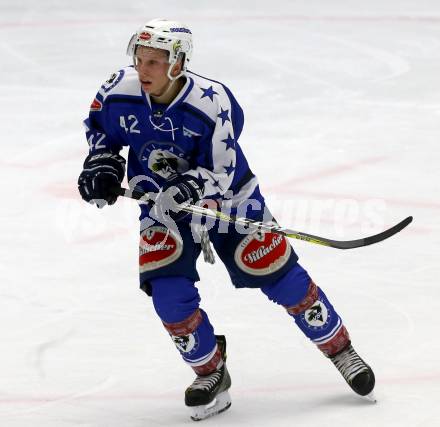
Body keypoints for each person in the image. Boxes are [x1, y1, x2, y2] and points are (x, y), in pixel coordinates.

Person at [78, 18, 375, 421]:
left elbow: (221, 166)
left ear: (178, 64)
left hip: (230, 201)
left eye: (154, 62)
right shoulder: (118, 90)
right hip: (162, 208)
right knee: (168, 296)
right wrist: (102, 166)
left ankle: (340, 349)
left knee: (278, 275)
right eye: (140, 59)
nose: (142, 69)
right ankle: (211, 371)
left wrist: (189, 186)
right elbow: (101, 133)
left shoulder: (210, 100)